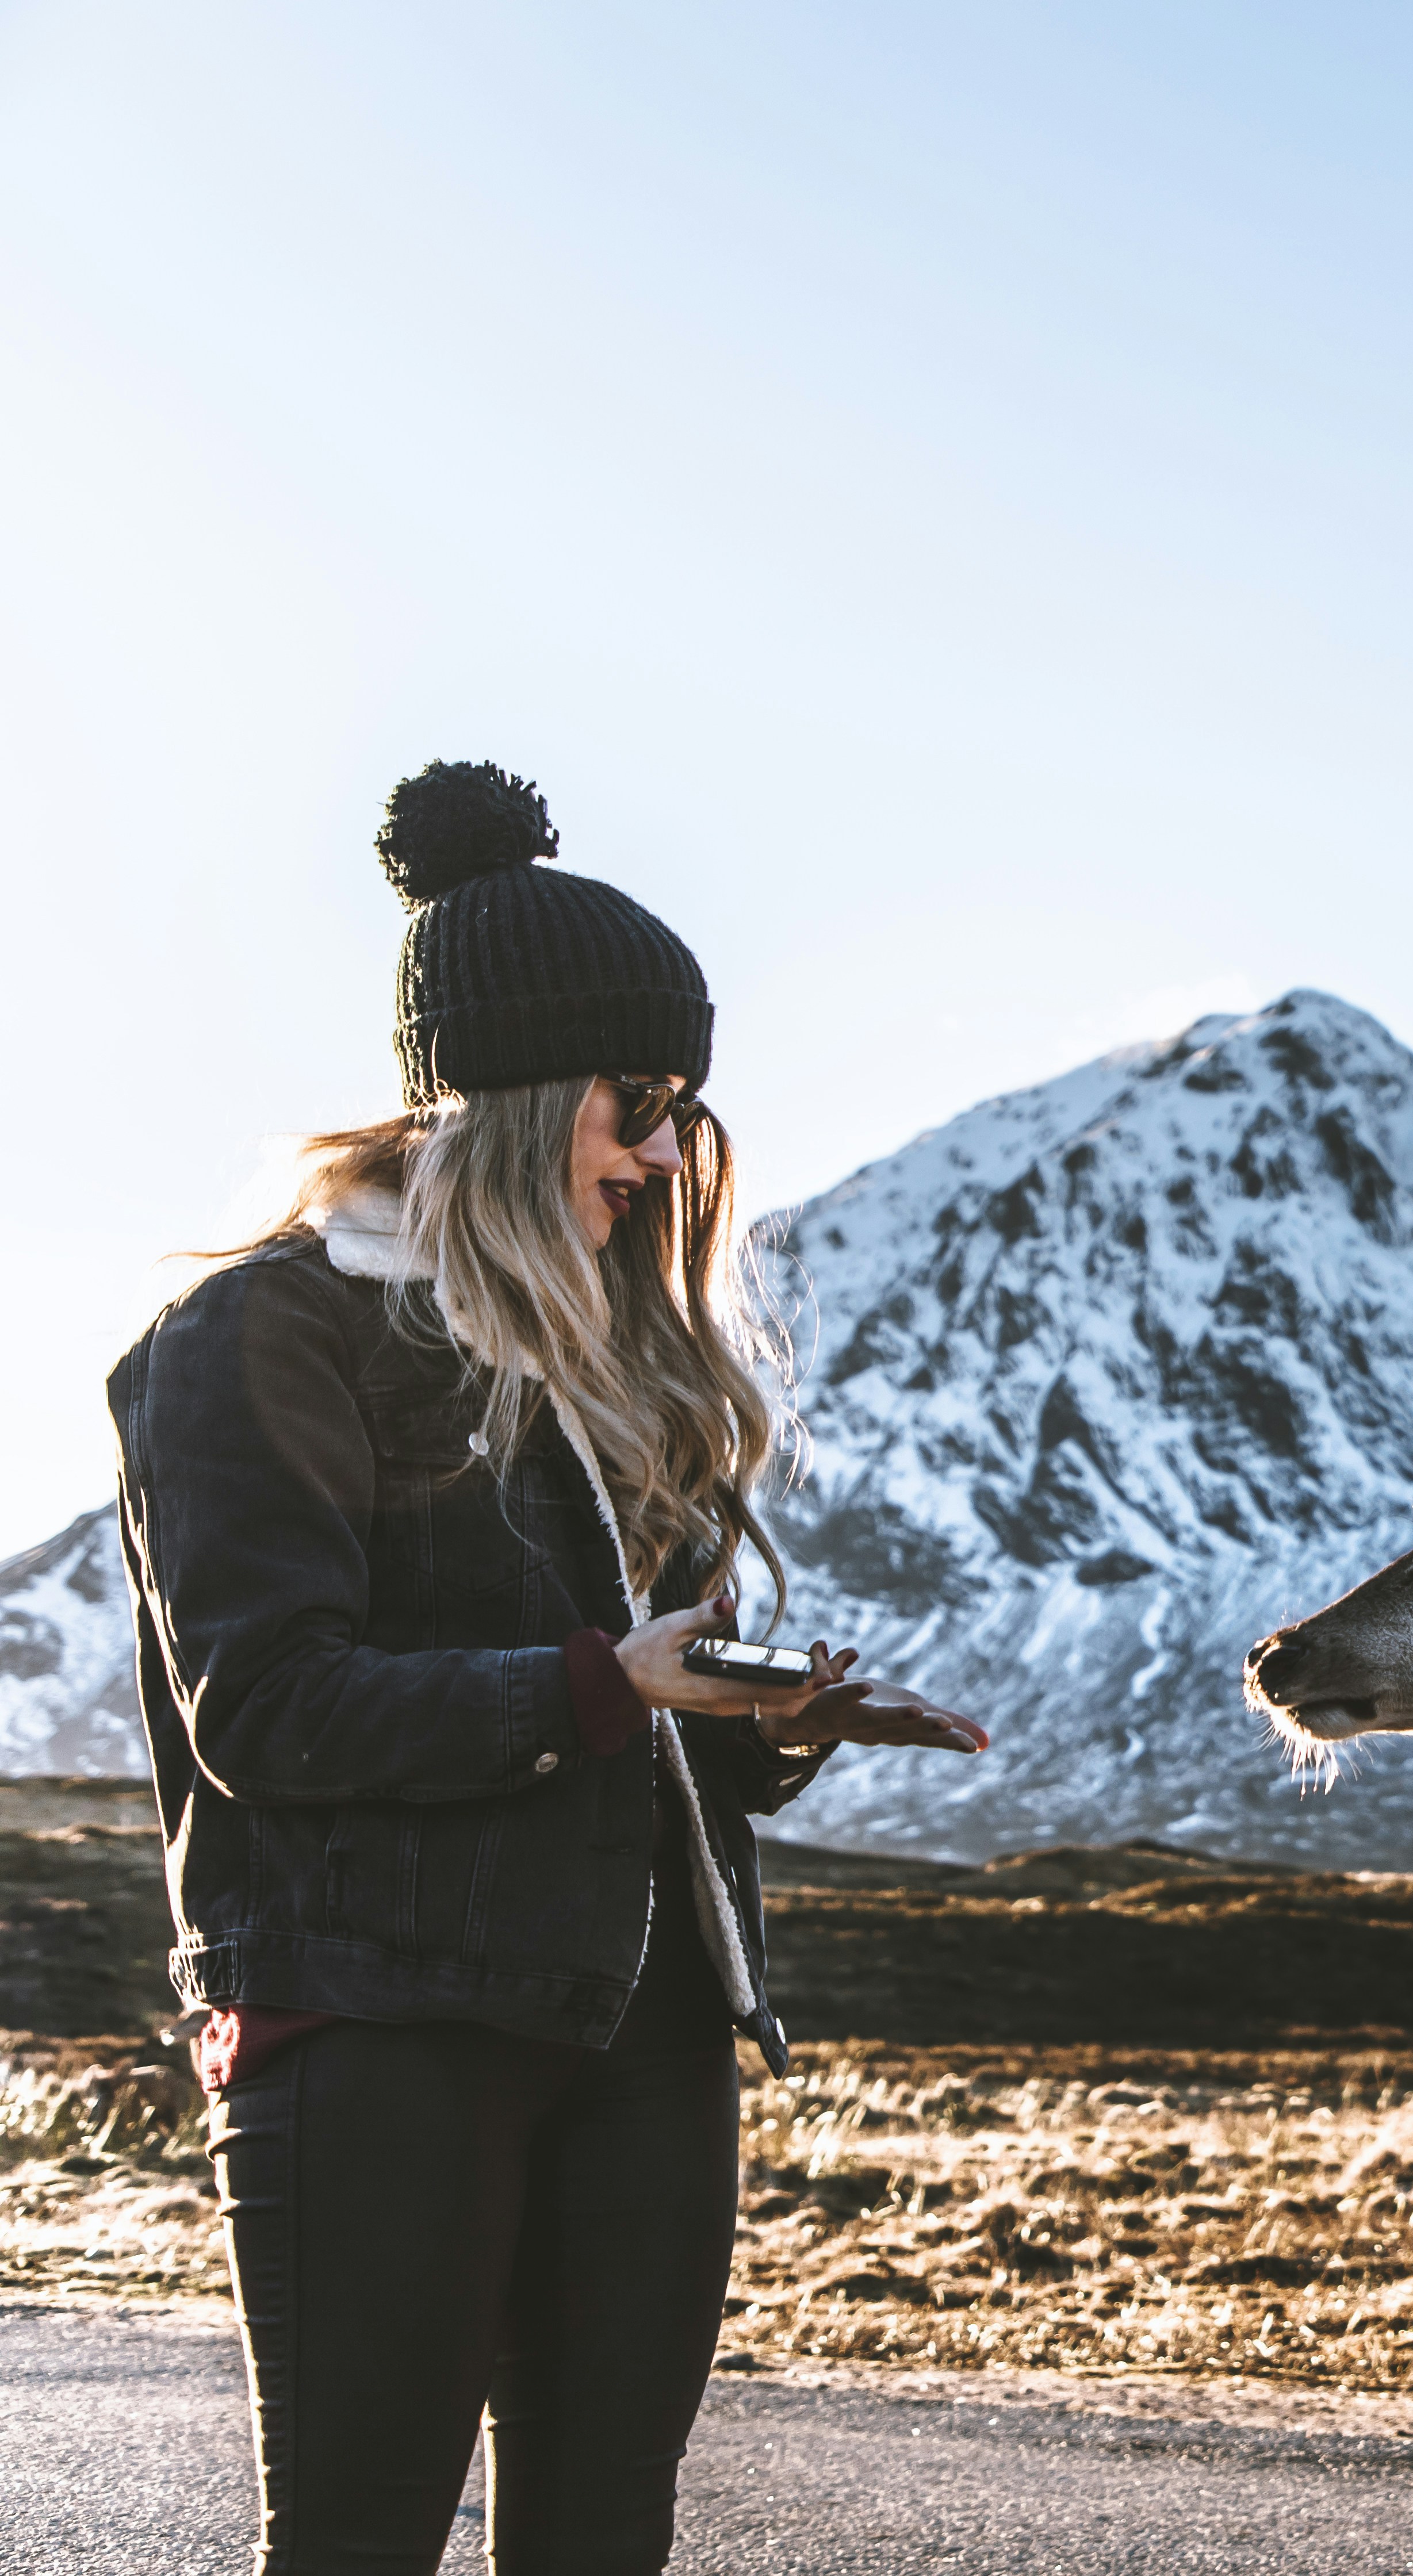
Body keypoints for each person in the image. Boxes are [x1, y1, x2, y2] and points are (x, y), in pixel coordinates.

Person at [107, 760, 987, 2576]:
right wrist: (608, 1685)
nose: (669, 1153)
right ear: (511, 1093)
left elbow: (630, 1718)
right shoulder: (268, 1333)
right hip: (379, 2035)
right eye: (639, 1101)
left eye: (685, 1112)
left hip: (652, 2037)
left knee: (604, 2549)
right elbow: (263, 1710)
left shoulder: (617, 1366)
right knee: (355, 2546)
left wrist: (765, 1724)